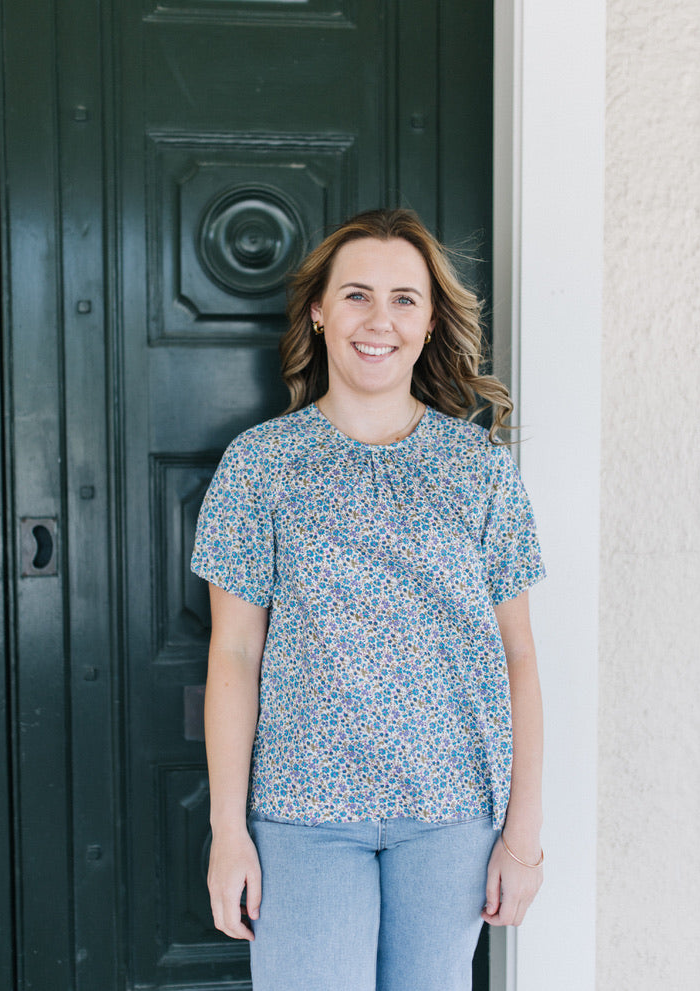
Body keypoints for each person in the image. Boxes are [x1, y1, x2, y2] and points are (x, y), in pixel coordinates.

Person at [190, 208, 545, 991]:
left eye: (403, 298)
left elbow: (517, 655)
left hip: (452, 814)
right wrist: (226, 832)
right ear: (318, 311)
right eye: (355, 294)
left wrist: (522, 835)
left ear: (428, 323)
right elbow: (234, 653)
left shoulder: (479, 469)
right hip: (302, 813)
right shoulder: (260, 466)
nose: (378, 319)